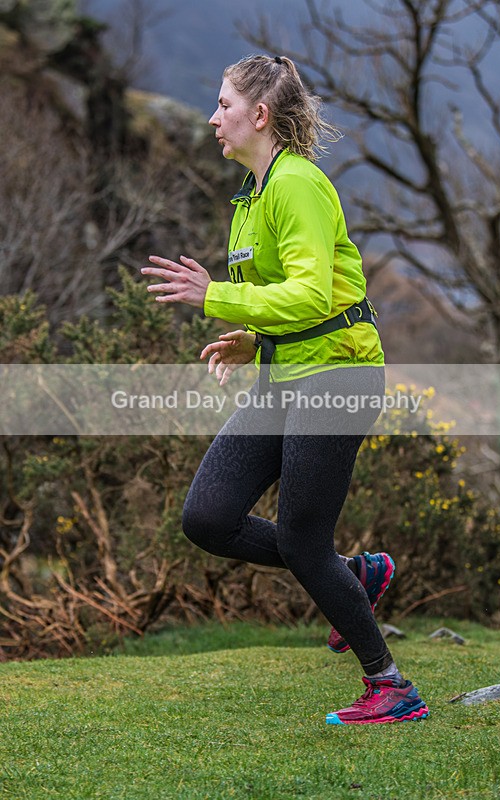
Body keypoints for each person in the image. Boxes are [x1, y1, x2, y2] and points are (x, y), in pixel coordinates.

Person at [141, 54, 429, 725]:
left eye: (223, 105)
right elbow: (296, 301)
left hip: (337, 376)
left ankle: (390, 686)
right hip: (286, 373)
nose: (213, 117)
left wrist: (213, 294)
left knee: (303, 541)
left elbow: (304, 291)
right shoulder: (250, 198)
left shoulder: (296, 185)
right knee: (207, 518)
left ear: (259, 115)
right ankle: (355, 577)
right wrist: (253, 339)